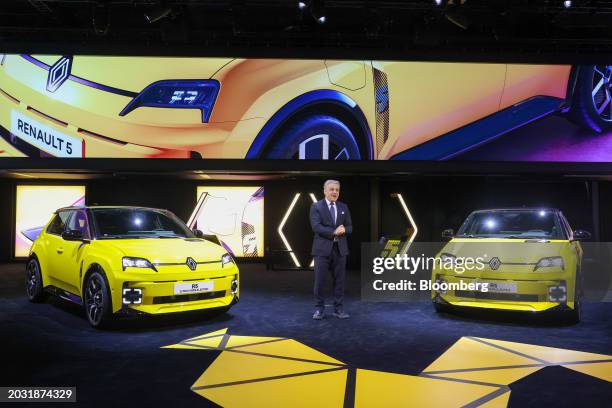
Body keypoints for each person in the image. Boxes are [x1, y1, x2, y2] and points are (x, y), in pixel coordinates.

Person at [310, 179, 352, 320]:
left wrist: (345, 229)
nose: (334, 192)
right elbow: (316, 227)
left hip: (340, 250)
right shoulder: (316, 206)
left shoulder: (343, 207)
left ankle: (338, 309)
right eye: (332, 189)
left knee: (339, 281)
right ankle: (319, 310)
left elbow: (350, 227)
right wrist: (334, 231)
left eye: (337, 190)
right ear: (325, 191)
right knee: (320, 281)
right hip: (322, 250)